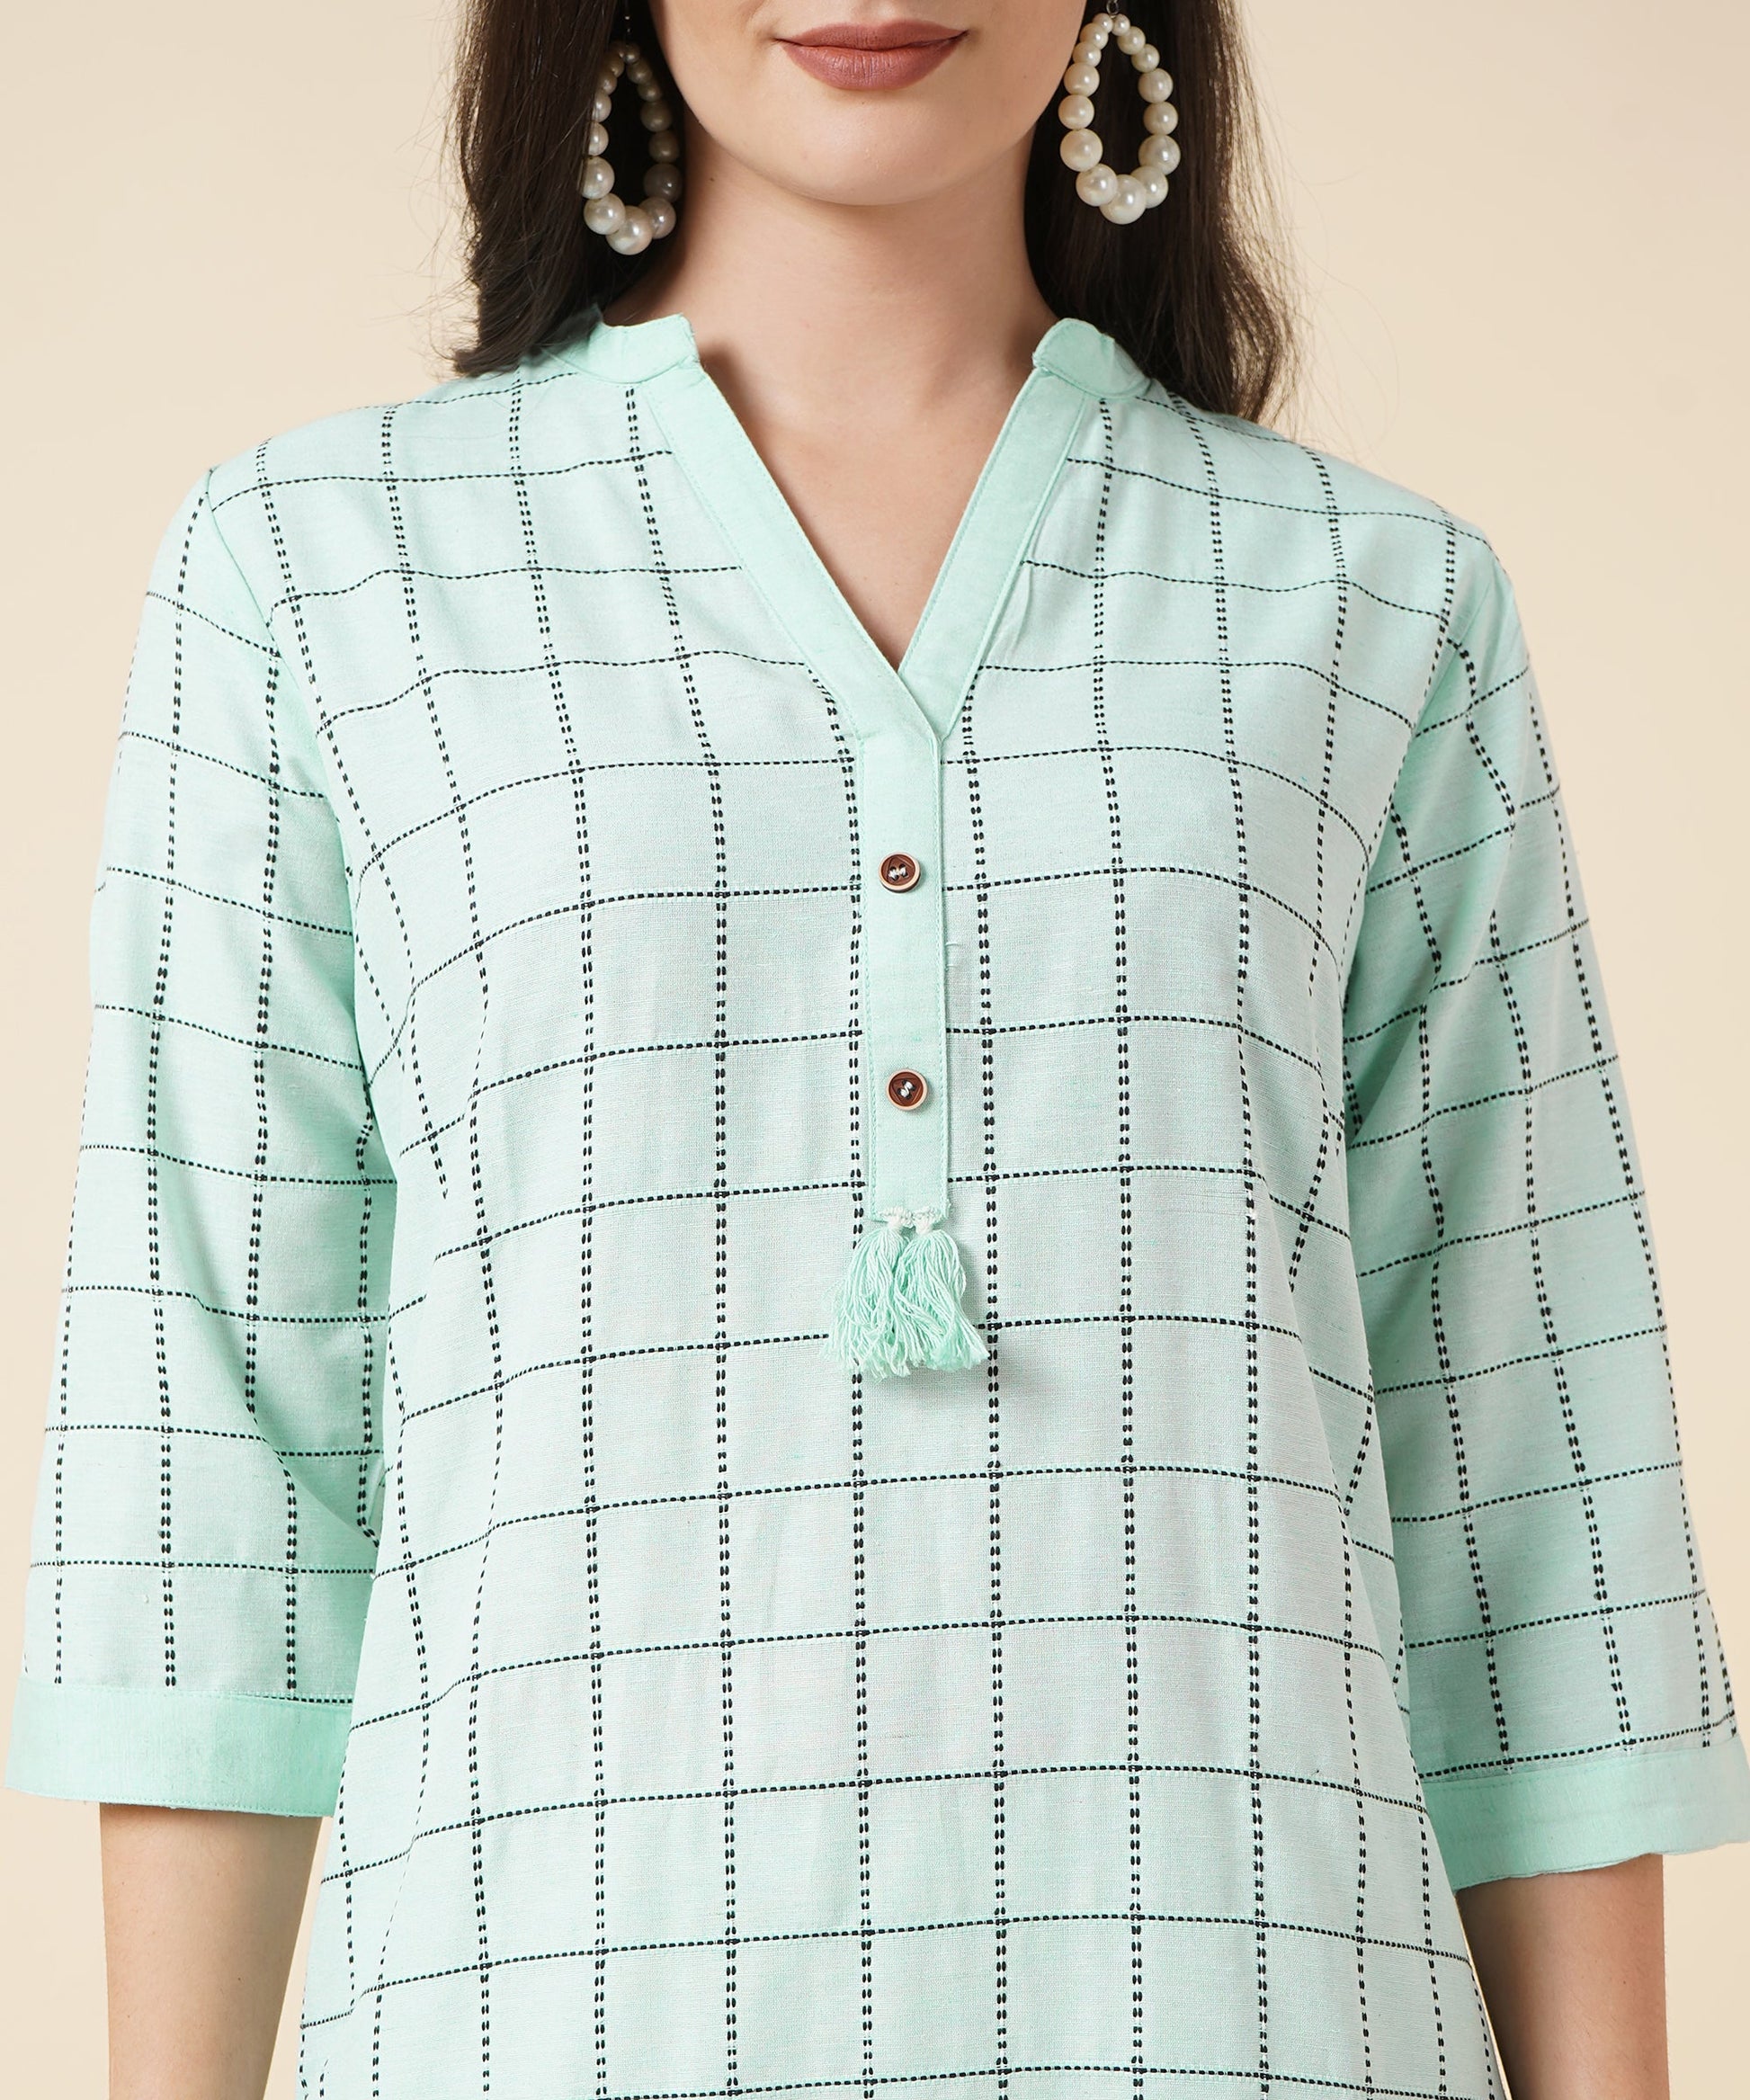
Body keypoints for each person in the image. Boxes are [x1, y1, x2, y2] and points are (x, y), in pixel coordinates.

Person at [6, 3, 1746, 2096]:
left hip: (1263, 2021)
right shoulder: (314, 568)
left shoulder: (1374, 596)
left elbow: (1529, 1487)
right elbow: (215, 1478)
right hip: (544, 2023)